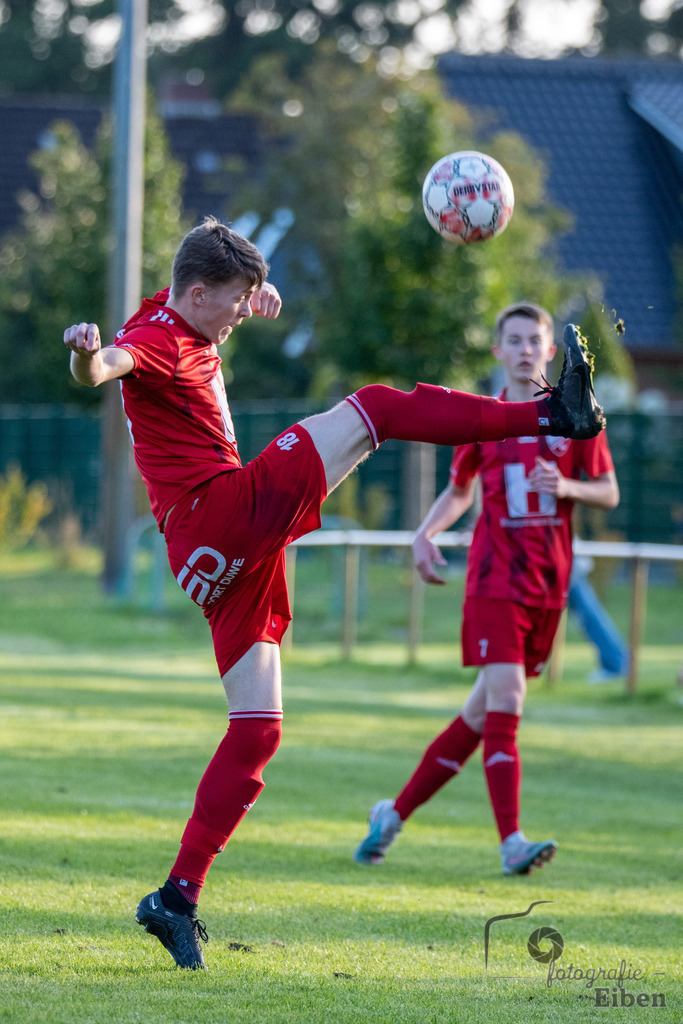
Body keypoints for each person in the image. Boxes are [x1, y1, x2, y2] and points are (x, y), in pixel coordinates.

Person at [64, 220, 605, 969]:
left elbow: (202, 276)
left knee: (257, 730)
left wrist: (253, 294)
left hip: (207, 552)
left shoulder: (177, 303)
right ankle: (551, 415)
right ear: (198, 294)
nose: (237, 315)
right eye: (232, 301)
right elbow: (107, 367)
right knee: (379, 408)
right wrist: (87, 355)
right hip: (222, 511)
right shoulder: (156, 338)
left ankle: (176, 899)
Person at [353, 301, 619, 877]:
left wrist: (568, 488)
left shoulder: (576, 417)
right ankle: (511, 843)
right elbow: (460, 491)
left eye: (534, 340)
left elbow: (609, 491)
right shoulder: (485, 419)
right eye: (514, 340)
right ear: (498, 350)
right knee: (507, 701)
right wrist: (425, 533)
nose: (525, 350)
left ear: (551, 351)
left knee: (479, 716)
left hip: (548, 586)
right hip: (495, 581)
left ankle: (392, 815)